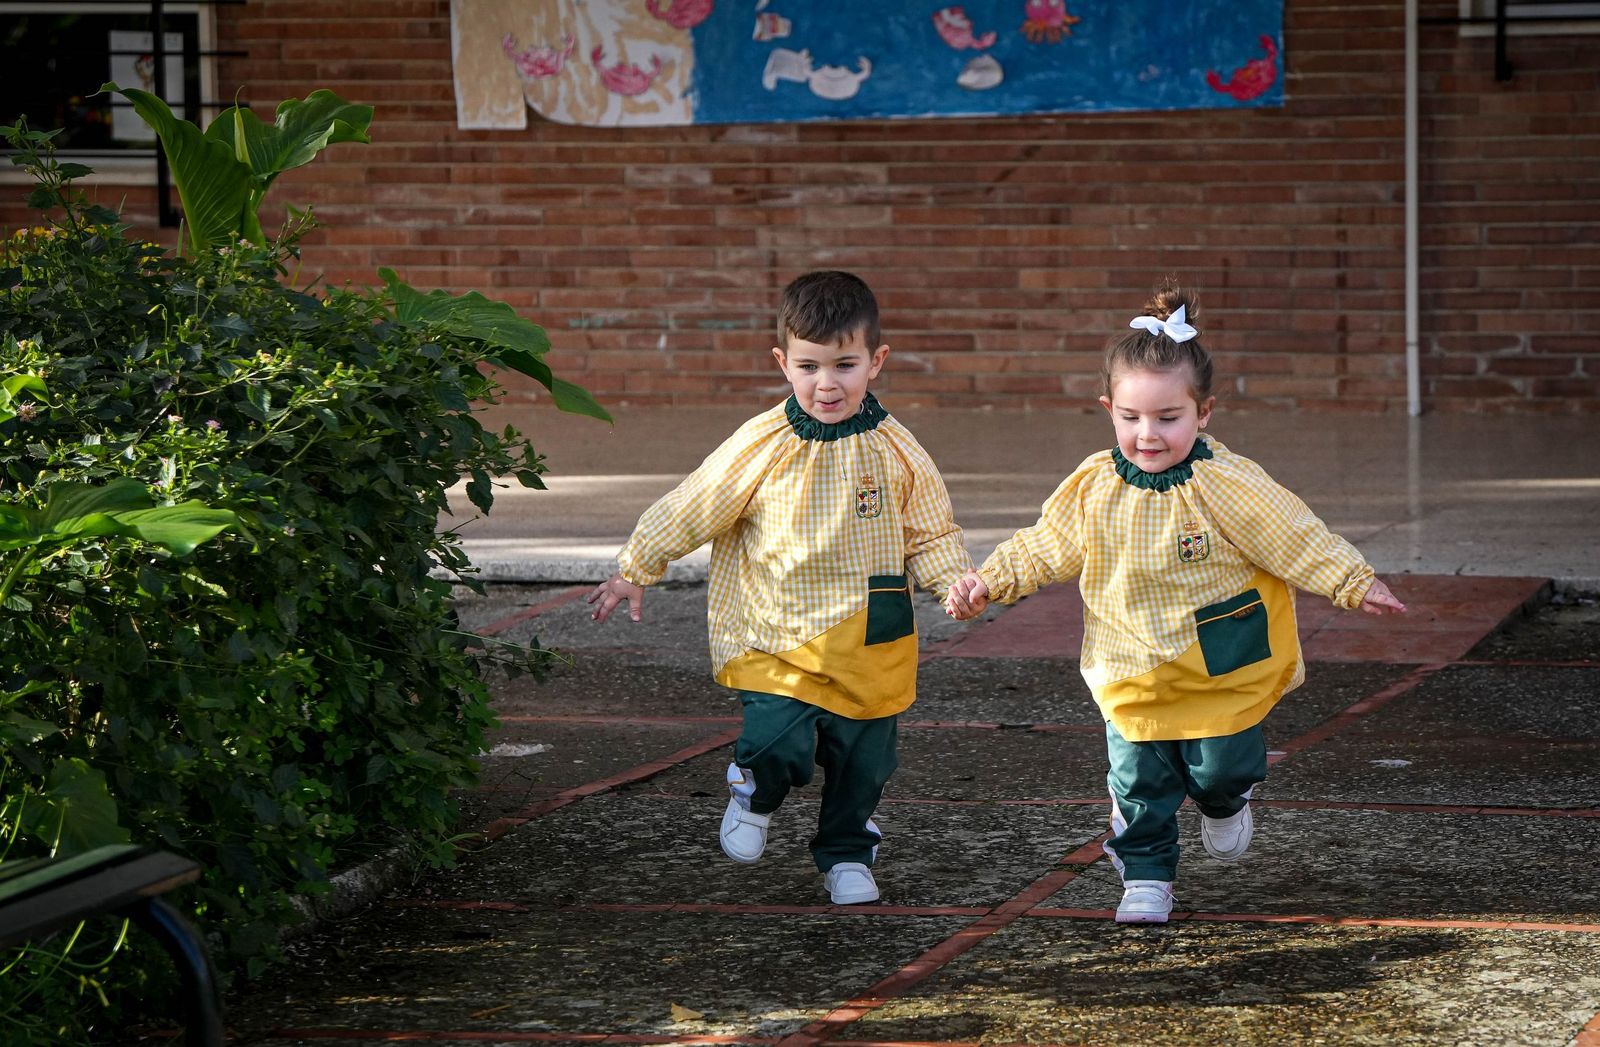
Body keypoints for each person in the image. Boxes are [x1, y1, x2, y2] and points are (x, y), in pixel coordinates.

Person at [944, 281, 1406, 925]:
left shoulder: (1227, 483)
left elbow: (1292, 535)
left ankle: (1225, 800)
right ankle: (1146, 876)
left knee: (1220, 769)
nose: (1149, 434)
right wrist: (990, 581)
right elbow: (1045, 544)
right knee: (1140, 784)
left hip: (1218, 665)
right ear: (1108, 409)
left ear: (1204, 412)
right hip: (1130, 667)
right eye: (1131, 418)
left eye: (1169, 418)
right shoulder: (1093, 486)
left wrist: (1353, 581)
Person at [589, 270, 973, 905]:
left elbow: (931, 534)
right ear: (782, 363)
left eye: (845, 365)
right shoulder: (763, 443)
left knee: (863, 765)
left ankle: (847, 854)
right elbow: (697, 503)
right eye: (809, 366)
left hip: (867, 642)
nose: (827, 383)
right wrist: (638, 566)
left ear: (876, 361)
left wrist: (954, 583)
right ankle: (755, 788)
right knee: (776, 741)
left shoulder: (900, 452)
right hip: (777, 634)